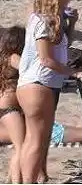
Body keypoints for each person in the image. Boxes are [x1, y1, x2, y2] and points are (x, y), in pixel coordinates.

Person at [16, 0, 80, 183]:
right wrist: (73, 72)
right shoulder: (42, 20)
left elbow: (62, 45)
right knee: (36, 141)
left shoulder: (48, 19)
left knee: (35, 140)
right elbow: (46, 59)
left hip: (38, 84)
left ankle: (31, 179)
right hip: (38, 84)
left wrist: (72, 23)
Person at [0, 26, 25, 183]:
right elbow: (28, 69)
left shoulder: (4, 57)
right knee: (21, 147)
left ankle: (10, 180)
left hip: (7, 107)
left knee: (20, 146)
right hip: (9, 109)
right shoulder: (14, 57)